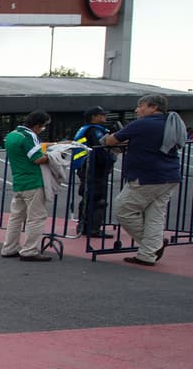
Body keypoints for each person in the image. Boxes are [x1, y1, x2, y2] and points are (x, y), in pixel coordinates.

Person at [104, 94, 181, 266]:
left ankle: (153, 245)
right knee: (155, 215)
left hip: (147, 176)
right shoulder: (171, 121)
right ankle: (147, 254)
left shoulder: (143, 124)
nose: (137, 110)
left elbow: (111, 140)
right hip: (170, 175)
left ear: (153, 107)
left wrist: (111, 138)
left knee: (123, 209)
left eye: (141, 106)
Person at [0, 111, 54, 262]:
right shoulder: (28, 136)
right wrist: (53, 157)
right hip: (33, 180)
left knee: (16, 217)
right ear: (37, 126)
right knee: (36, 217)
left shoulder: (12, 135)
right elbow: (37, 158)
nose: (42, 129)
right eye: (43, 127)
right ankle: (29, 250)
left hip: (19, 181)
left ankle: (9, 248)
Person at [72, 107, 114, 238]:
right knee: (97, 197)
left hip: (85, 167)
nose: (104, 117)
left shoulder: (84, 129)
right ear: (94, 117)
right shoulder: (94, 130)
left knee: (87, 196)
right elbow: (100, 150)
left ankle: (83, 225)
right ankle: (93, 228)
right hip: (93, 168)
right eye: (102, 115)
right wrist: (109, 161)